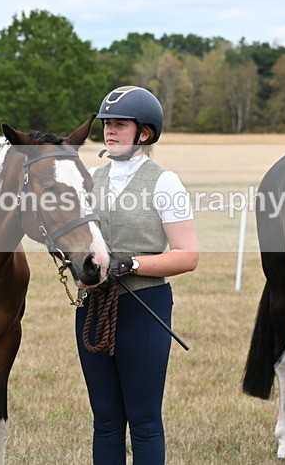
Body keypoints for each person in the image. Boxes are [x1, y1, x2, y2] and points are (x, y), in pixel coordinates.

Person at [76, 86, 199, 464]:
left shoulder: (165, 182)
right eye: (106, 124)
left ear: (144, 133)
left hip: (146, 307)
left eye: (119, 124)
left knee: (144, 420)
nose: (109, 131)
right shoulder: (90, 178)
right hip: (94, 308)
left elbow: (188, 255)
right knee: (106, 420)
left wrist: (130, 264)